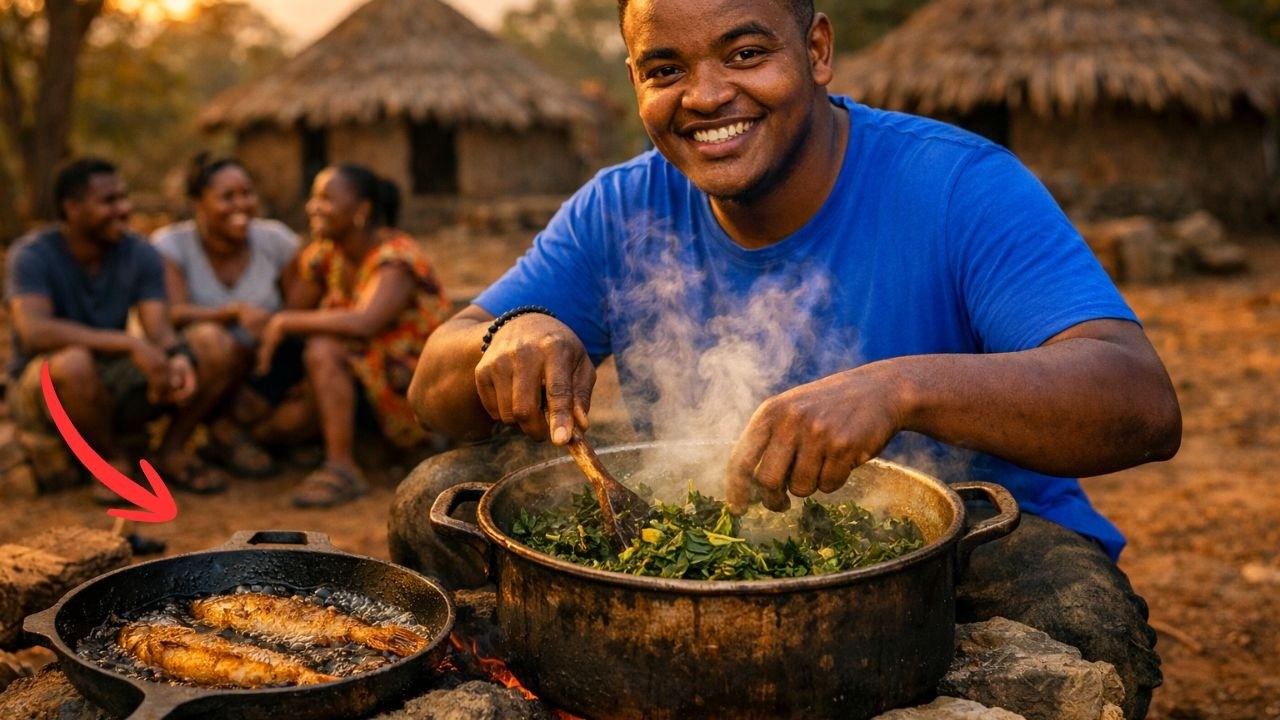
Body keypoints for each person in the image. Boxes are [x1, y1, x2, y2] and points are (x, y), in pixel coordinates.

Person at [404, 1, 1182, 717]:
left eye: (745, 53)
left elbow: (1139, 402)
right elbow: (432, 386)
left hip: (968, 538)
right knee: (438, 494)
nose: (705, 96)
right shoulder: (620, 209)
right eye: (664, 69)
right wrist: (508, 333)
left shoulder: (956, 184)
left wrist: (902, 387)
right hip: (703, 531)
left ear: (816, 50)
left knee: (1087, 632)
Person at [5, 157, 235, 497]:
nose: (124, 209)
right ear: (72, 208)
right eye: (109, 201)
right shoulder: (31, 255)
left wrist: (178, 356)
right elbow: (35, 332)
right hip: (45, 389)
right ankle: (110, 462)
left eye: (123, 197)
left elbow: (158, 329)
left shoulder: (139, 252)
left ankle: (170, 451)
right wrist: (130, 344)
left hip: (108, 376)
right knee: (73, 362)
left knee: (214, 343)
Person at [254, 163, 451, 508]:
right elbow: (292, 310)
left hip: (407, 389)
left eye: (326, 199)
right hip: (349, 383)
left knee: (324, 347)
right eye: (314, 198)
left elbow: (364, 323)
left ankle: (342, 467)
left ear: (362, 211)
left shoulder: (396, 258)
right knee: (273, 424)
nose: (313, 207)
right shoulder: (324, 255)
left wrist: (284, 322)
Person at [150, 153, 301, 478]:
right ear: (197, 204)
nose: (241, 205)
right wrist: (231, 314)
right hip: (196, 368)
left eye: (246, 193)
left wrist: (274, 329)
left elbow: (298, 307)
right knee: (213, 342)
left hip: (261, 370)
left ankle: (229, 432)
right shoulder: (171, 245)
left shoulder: (277, 240)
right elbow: (171, 314)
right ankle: (174, 446)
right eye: (227, 197)